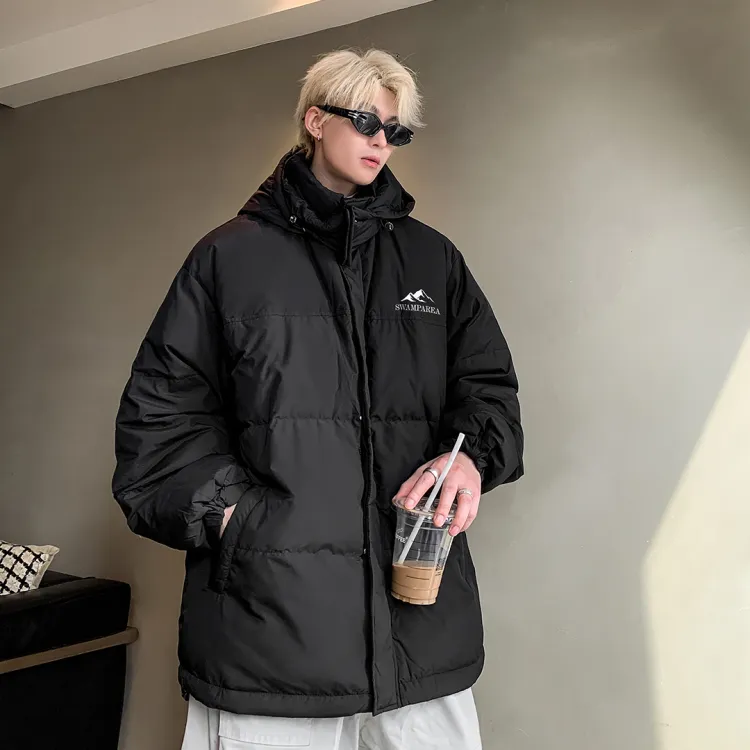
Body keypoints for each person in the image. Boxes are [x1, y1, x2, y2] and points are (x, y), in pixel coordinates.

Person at [112, 48, 523, 750]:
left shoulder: (433, 261)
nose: (381, 141)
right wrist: (239, 519)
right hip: (269, 637)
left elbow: (489, 391)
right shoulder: (227, 259)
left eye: (396, 130)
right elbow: (159, 422)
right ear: (314, 119)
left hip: (419, 636)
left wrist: (470, 461)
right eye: (366, 121)